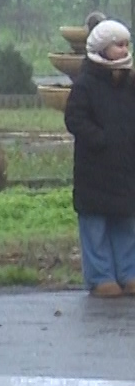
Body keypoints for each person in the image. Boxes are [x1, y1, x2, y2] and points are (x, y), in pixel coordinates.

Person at [63, 19, 135, 298]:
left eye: (126, 44)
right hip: (94, 169)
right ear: (103, 48)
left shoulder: (129, 84)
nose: (124, 50)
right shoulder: (85, 84)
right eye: (118, 45)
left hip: (124, 168)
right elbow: (75, 119)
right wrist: (101, 139)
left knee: (125, 224)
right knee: (95, 227)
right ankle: (100, 276)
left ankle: (128, 273)